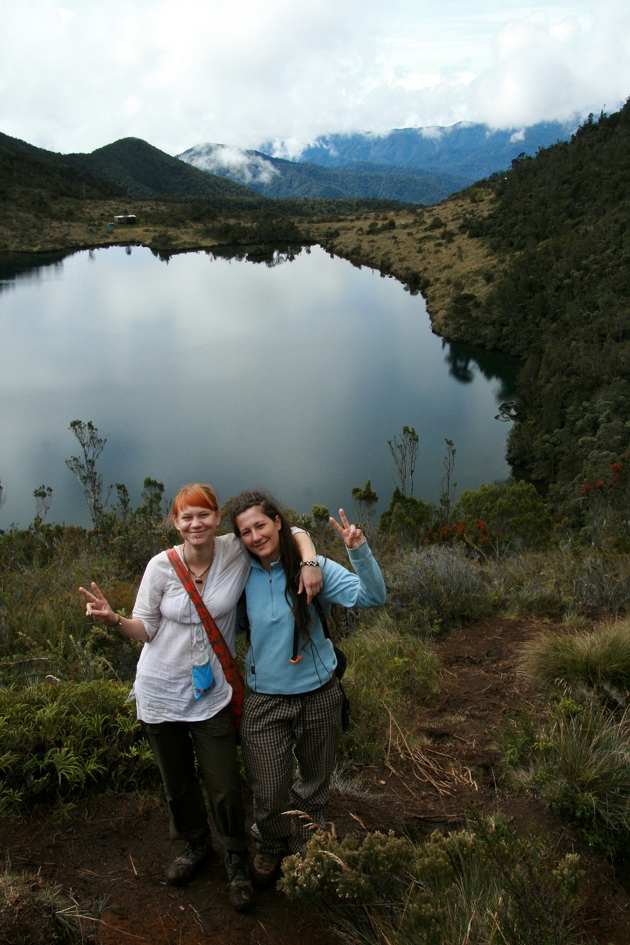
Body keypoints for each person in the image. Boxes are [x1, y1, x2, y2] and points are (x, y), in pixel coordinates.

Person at [79, 482, 320, 912]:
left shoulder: (234, 550)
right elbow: (144, 628)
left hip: (210, 698)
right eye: (186, 517)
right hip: (159, 691)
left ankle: (235, 855)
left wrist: (309, 561)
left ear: (215, 518)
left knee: (224, 785)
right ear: (175, 523)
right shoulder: (160, 567)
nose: (196, 524)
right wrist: (113, 619)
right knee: (177, 784)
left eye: (204, 515)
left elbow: (289, 530)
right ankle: (194, 845)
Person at [229, 490, 386, 887]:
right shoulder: (239, 575)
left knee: (315, 779)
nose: (255, 537)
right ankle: (269, 841)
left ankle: (305, 841)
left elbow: (372, 597)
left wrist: (358, 550)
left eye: (261, 525)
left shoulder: (312, 568)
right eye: (245, 531)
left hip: (318, 693)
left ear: (277, 522)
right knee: (268, 783)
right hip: (265, 698)